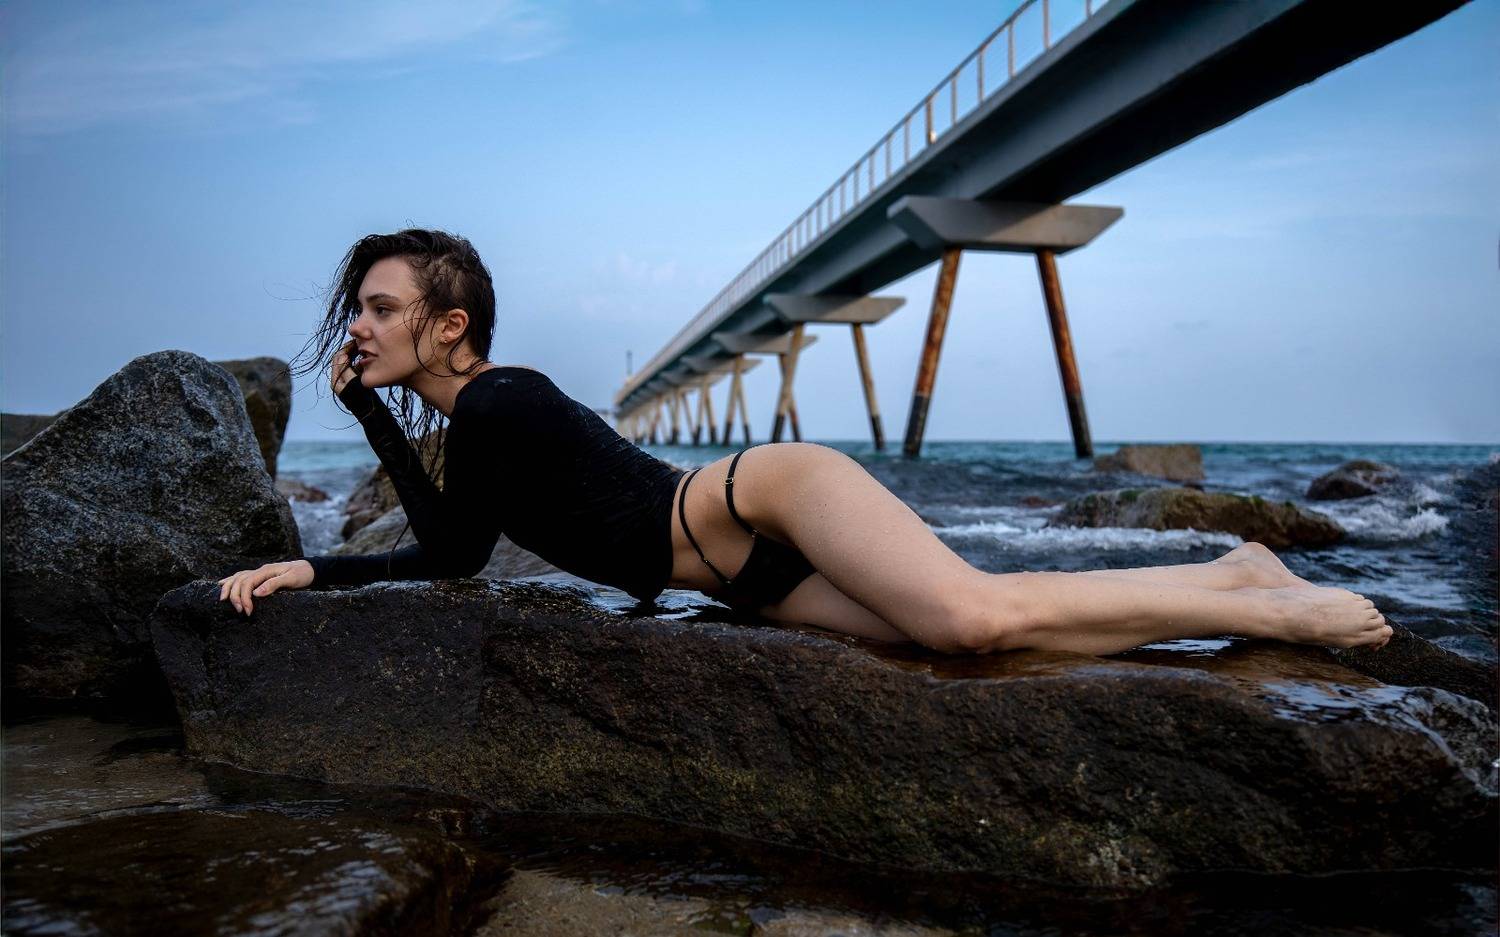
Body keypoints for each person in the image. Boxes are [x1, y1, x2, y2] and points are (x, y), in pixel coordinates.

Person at [220, 229, 1392, 656]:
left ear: (449, 323)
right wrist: (319, 550)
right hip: (743, 580)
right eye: (361, 309)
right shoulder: (478, 414)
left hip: (760, 499)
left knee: (971, 616)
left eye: (381, 307)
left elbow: (449, 547)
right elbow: (456, 553)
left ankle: (1271, 610)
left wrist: (340, 512)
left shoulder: (495, 405)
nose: (360, 325)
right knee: (972, 635)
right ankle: (1230, 574)